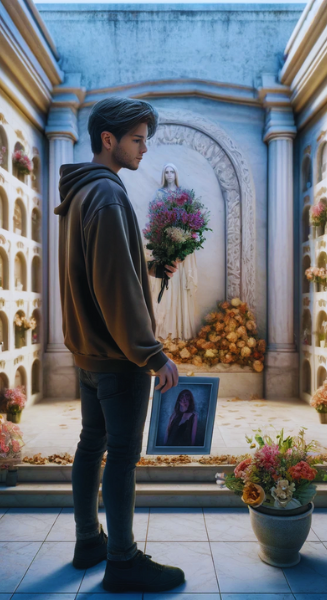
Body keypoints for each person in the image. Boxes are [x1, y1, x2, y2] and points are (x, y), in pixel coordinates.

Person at [54, 96, 185, 592]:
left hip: (90, 351)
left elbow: (96, 267)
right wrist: (151, 354)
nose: (144, 149)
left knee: (91, 447)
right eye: (136, 139)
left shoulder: (82, 190)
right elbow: (112, 284)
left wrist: (150, 267)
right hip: (118, 356)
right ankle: (122, 561)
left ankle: (89, 540)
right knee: (122, 458)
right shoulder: (106, 194)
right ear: (108, 140)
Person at [148, 163, 199, 340]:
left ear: (176, 174)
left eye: (172, 172)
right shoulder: (159, 194)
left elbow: (190, 218)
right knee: (164, 283)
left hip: (179, 244)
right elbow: (154, 218)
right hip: (164, 242)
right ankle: (163, 334)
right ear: (164, 175)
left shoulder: (183, 194)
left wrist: (186, 236)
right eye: (166, 172)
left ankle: (178, 334)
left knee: (177, 280)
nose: (169, 175)